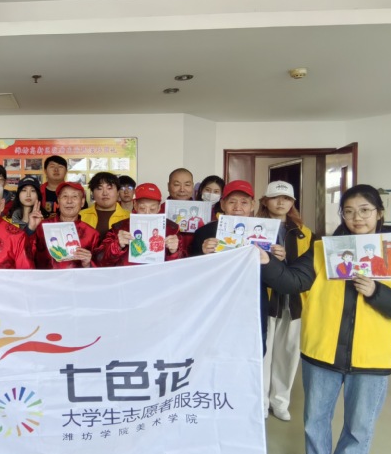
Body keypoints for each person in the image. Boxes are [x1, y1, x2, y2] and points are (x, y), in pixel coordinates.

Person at [260, 184, 391, 454]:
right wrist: (267, 261)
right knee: (315, 418)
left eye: (365, 210)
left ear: (379, 213)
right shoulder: (323, 251)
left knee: (360, 424)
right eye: (348, 211)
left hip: (371, 357)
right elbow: (293, 281)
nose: (357, 218)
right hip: (321, 351)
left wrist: (377, 293)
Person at [256, 180, 313, 421]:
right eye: (275, 198)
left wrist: (285, 258)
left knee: (288, 354)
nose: (281, 202)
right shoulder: (254, 226)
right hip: (265, 300)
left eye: (287, 198)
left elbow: (308, 269)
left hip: (294, 302)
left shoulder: (304, 233)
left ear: (292, 203)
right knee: (263, 353)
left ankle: (280, 401)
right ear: (265, 201)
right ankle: (260, 401)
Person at [190, 180, 269, 351]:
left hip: (252, 306)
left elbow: (274, 279)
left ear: (252, 205)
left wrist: (275, 260)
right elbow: (192, 275)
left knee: (252, 354)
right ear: (223, 204)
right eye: (232, 201)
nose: (238, 207)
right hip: (215, 308)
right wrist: (202, 254)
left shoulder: (265, 233)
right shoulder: (204, 233)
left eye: (244, 202)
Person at [96, 183, 185, 266]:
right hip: (127, 276)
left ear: (159, 208)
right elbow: (99, 260)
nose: (147, 213)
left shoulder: (172, 229)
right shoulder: (119, 228)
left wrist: (174, 252)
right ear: (135, 205)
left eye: (152, 209)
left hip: (159, 276)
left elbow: (184, 265)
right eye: (142, 208)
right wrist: (117, 245)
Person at [29, 181, 99, 269]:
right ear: (58, 201)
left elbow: (100, 271)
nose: (69, 201)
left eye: (74, 196)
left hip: (77, 278)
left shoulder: (92, 234)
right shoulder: (42, 226)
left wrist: (88, 265)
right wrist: (30, 229)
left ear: (82, 202)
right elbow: (25, 254)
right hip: (45, 277)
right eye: (65, 196)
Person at [79, 172, 130, 241]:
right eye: (99, 188)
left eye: (109, 188)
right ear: (92, 193)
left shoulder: (129, 217)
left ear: (118, 192)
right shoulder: (80, 216)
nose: (105, 193)